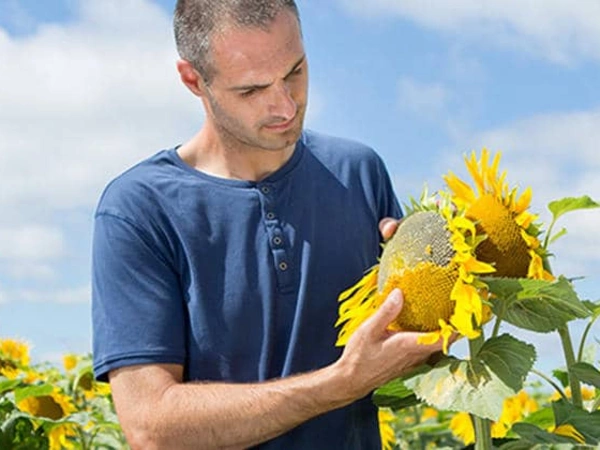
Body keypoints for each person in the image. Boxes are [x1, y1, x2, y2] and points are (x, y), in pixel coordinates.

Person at [91, 1, 446, 449]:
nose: (285, 105)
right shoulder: (138, 209)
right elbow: (151, 427)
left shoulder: (359, 172)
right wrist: (339, 383)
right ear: (193, 80)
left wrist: (443, 276)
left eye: (295, 72)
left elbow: (414, 353)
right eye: (251, 90)